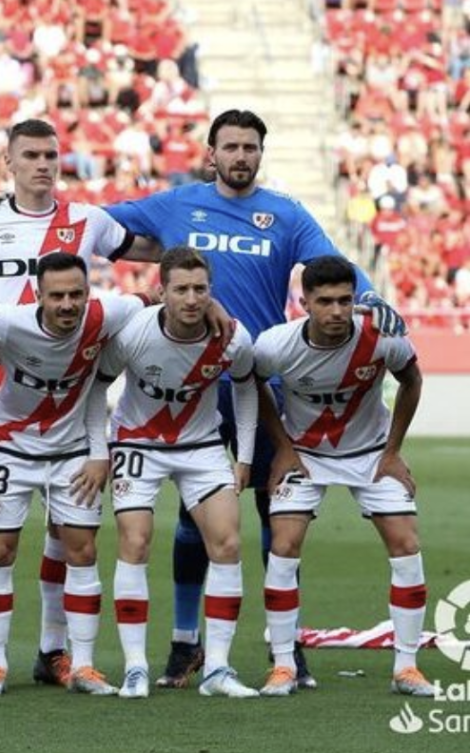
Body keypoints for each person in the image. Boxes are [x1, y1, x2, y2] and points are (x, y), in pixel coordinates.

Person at [105, 108, 404, 688]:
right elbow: (101, 230)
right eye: (231, 146)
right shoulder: (174, 204)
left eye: (251, 147)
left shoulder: (285, 215)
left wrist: (372, 300)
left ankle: (285, 649)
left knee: (278, 516)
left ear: (260, 155)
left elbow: (331, 266)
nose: (241, 156)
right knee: (195, 526)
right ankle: (185, 645)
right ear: (211, 152)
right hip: (191, 391)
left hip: (261, 388)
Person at [0, 117, 158, 688]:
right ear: (9, 163)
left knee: (69, 540)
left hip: (69, 396)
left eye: (51, 155)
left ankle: (55, 651)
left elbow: (156, 259)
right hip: (2, 397)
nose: (43, 164)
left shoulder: (88, 221)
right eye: (31, 156)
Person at [254, 255, 436, 698]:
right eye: (325, 301)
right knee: (283, 546)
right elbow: (251, 385)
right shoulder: (275, 344)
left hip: (372, 452)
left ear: (355, 301)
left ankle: (406, 668)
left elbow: (412, 381)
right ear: (304, 303)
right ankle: (282, 667)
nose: (336, 311)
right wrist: (281, 447)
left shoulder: (381, 337)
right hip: (305, 455)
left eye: (344, 300)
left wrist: (393, 451)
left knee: (406, 544)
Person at [0, 252, 146, 697]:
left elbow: (148, 297)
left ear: (89, 292)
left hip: (70, 453)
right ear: (37, 295)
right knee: (1, 550)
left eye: (76, 295)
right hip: (10, 448)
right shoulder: (7, 322)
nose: (68, 304)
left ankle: (82, 664)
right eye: (58, 296)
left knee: (81, 552)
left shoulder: (107, 314)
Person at [97, 247, 259, 699]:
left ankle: (218, 671)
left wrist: (243, 456)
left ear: (212, 292)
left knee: (227, 541)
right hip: (137, 442)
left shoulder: (233, 337)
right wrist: (98, 451)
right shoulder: (133, 331)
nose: (192, 299)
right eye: (181, 289)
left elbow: (246, 388)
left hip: (202, 445)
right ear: (162, 291)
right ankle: (134, 668)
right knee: (135, 540)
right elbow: (97, 387)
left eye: (201, 289)